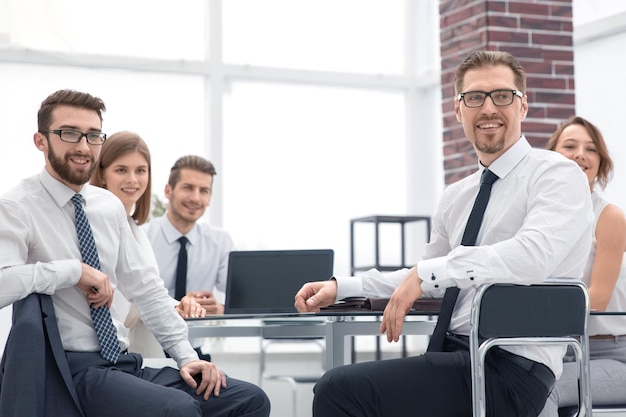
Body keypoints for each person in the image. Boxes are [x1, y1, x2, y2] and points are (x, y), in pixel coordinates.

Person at [294, 50, 594, 417]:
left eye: (502, 96)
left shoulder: (556, 174)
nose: (488, 108)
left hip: (510, 369)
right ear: (458, 110)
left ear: (523, 106)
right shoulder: (456, 196)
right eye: (474, 98)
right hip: (454, 358)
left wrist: (426, 274)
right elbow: (426, 275)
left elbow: (531, 257)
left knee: (339, 390)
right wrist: (344, 287)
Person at [0, 89, 270, 417]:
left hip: (124, 363)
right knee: (179, 409)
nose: (84, 147)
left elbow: (147, 290)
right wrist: (74, 271)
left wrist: (187, 356)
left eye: (93, 135)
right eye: (69, 133)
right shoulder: (18, 206)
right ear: (41, 141)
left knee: (248, 399)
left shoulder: (108, 206)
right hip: (74, 371)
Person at [538, 116, 626, 416]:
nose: (580, 154)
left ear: (601, 163)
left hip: (611, 354)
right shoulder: (538, 218)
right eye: (570, 146)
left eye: (591, 149)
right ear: (551, 158)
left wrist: (522, 310)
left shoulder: (609, 217)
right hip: (556, 349)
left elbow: (597, 300)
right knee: (489, 382)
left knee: (540, 391)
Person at [90, 131, 206, 358]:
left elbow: (145, 293)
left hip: (133, 350)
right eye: (121, 170)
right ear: (102, 174)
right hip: (103, 352)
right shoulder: (92, 227)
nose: (132, 179)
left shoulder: (136, 232)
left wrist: (177, 306)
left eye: (140, 171)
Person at [143, 155, 235, 361]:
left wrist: (220, 309)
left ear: (210, 198)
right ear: (168, 190)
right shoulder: (142, 237)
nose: (196, 198)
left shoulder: (220, 241)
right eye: (188, 187)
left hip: (195, 353)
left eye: (204, 191)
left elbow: (243, 297)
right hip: (146, 352)